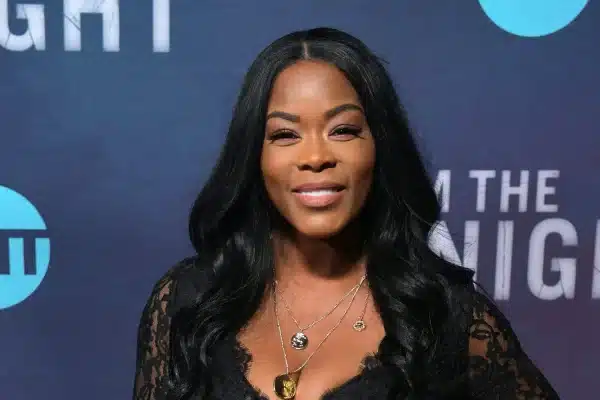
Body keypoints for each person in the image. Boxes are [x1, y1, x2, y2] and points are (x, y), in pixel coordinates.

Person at [132, 27, 559, 400]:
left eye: (343, 130)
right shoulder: (189, 302)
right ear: (254, 156)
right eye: (285, 134)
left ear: (379, 146)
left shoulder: (446, 317)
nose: (315, 156)